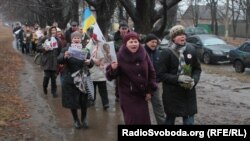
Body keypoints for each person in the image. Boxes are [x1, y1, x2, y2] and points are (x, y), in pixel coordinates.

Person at [106, 32, 157, 124]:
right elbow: (110, 77)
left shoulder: (144, 54)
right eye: (131, 42)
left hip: (142, 95)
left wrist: (150, 90)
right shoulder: (119, 56)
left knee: (144, 121)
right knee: (132, 121)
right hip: (128, 96)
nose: (134, 44)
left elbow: (151, 72)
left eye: (135, 41)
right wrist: (113, 69)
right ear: (126, 44)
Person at [157, 25, 202, 125]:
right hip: (172, 94)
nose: (182, 37)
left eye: (183, 34)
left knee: (189, 122)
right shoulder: (166, 53)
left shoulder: (191, 49)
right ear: (173, 38)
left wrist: (194, 80)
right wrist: (178, 79)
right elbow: (161, 75)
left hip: (188, 94)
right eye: (179, 35)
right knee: (170, 120)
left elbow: (197, 69)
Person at [57, 31, 94, 129]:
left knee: (83, 101)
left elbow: (91, 63)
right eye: (74, 38)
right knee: (72, 101)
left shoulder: (85, 49)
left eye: (78, 38)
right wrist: (65, 56)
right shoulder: (66, 48)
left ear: (81, 39)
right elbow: (59, 59)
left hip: (83, 78)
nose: (76, 39)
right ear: (71, 39)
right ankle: (76, 120)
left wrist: (89, 62)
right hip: (70, 79)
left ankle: (84, 119)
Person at [144, 33, 166, 125]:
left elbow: (161, 68)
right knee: (142, 107)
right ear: (146, 42)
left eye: (156, 42)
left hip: (154, 84)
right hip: (142, 84)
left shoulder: (158, 52)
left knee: (158, 105)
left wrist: (159, 79)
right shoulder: (141, 52)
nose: (154, 44)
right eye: (152, 42)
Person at [36, 26, 62, 98]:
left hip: (54, 61)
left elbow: (60, 51)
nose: (53, 32)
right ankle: (45, 86)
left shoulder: (58, 40)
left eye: (55, 30)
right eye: (52, 30)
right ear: (50, 31)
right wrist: (44, 48)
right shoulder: (45, 38)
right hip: (46, 60)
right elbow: (38, 47)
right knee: (47, 77)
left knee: (54, 78)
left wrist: (59, 59)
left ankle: (54, 92)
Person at [89, 34, 110, 110]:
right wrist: (94, 60)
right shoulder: (89, 45)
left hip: (101, 72)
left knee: (103, 89)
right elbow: (87, 55)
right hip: (92, 70)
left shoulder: (103, 45)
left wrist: (103, 60)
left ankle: (105, 103)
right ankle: (92, 100)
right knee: (92, 88)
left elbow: (108, 56)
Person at [113, 21, 130, 102]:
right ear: (119, 29)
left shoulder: (132, 37)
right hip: (119, 61)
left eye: (125, 29)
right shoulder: (115, 38)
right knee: (118, 80)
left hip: (130, 61)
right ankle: (118, 95)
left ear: (128, 29)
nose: (124, 30)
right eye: (122, 29)